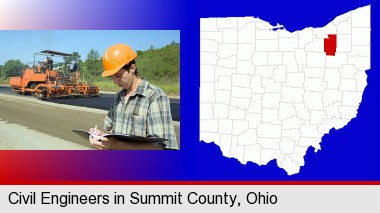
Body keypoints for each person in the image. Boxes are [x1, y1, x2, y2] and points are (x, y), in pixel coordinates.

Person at [88, 43, 178, 150]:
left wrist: (114, 145)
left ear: (132, 68)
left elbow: (159, 147)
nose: (115, 81)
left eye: (118, 75)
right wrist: (102, 137)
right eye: (112, 77)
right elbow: (113, 132)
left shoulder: (154, 97)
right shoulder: (118, 98)